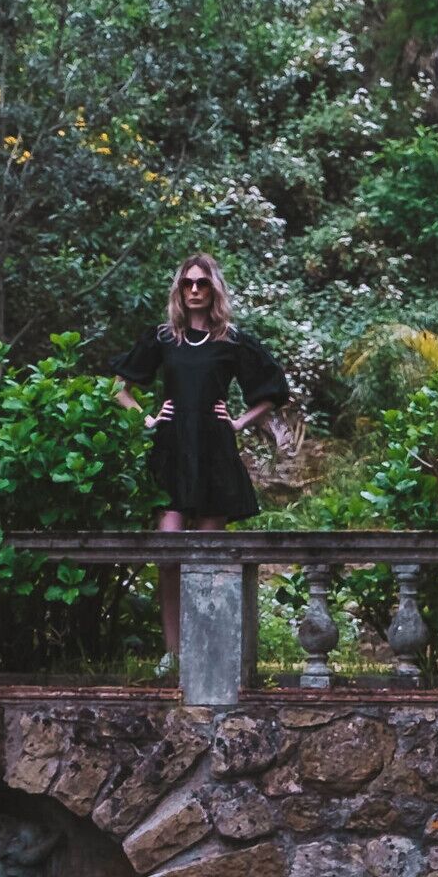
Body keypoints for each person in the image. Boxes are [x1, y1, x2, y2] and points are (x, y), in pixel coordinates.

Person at [115, 257, 288, 667]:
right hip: (172, 450)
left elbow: (272, 390)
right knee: (170, 554)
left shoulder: (231, 341)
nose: (194, 290)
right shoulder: (163, 338)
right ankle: (172, 654)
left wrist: (240, 422)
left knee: (209, 560)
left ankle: (207, 652)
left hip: (213, 454)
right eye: (188, 284)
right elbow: (120, 388)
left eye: (202, 284)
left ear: (214, 290)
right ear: (179, 290)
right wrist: (147, 418)